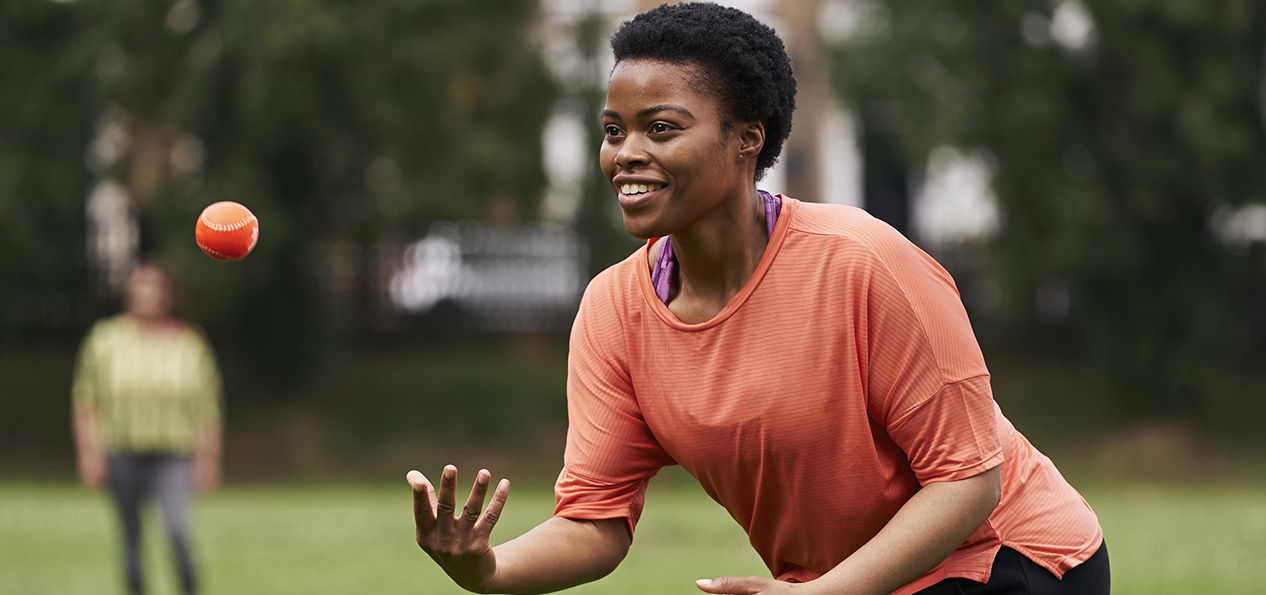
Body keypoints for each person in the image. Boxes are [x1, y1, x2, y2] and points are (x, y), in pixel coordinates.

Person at [407, 4, 1109, 594]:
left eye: (661, 128)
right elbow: (595, 519)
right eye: (613, 130)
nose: (624, 153)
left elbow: (968, 481)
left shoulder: (864, 262)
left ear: (748, 138)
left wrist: (824, 593)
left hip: (1008, 558)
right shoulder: (612, 311)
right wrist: (487, 570)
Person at [72, 262, 223, 595]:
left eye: (154, 287)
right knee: (131, 538)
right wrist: (89, 454)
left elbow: (207, 408)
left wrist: (208, 457)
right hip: (121, 450)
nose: (146, 294)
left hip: (173, 453)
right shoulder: (106, 339)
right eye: (140, 286)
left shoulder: (189, 343)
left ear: (167, 295)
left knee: (178, 531)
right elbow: (86, 401)